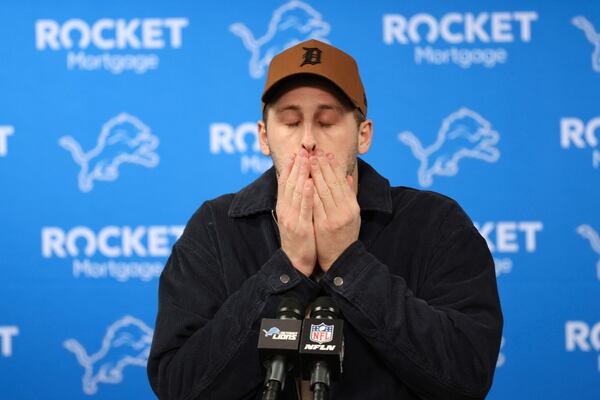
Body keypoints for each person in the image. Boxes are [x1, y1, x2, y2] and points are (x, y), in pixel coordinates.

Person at [147, 39, 503, 400]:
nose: (308, 141)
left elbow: (466, 377)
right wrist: (287, 270)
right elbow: (179, 387)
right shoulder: (216, 227)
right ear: (264, 136)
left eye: (327, 121)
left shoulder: (434, 223)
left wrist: (347, 262)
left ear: (363, 135)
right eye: (290, 121)